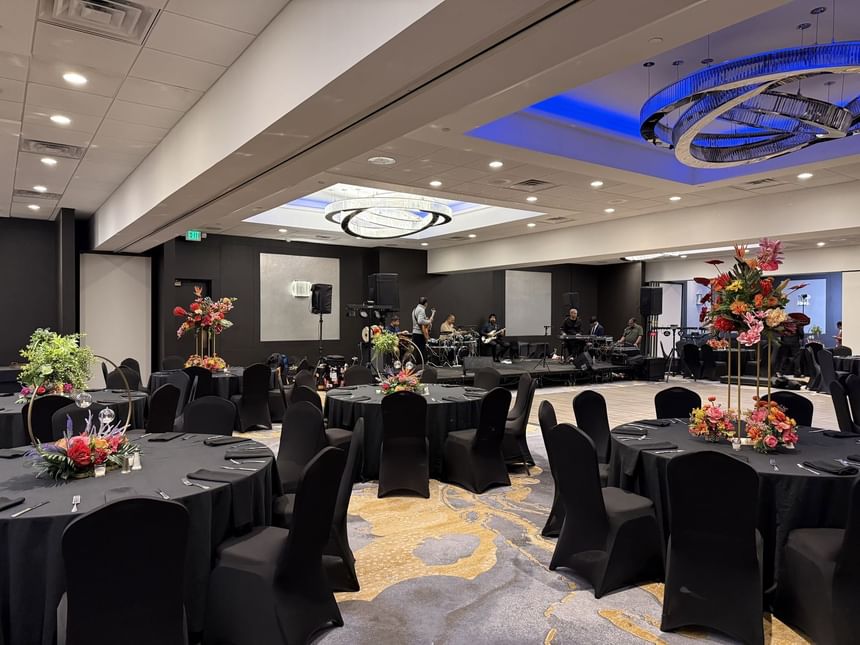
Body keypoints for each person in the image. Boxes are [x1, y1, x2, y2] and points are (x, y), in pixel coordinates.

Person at [411, 297, 434, 363]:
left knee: (417, 352)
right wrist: (429, 321)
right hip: (419, 334)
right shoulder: (421, 310)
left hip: (414, 333)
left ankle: (418, 367)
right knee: (422, 351)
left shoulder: (414, 309)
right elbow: (420, 321)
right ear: (425, 303)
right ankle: (422, 367)